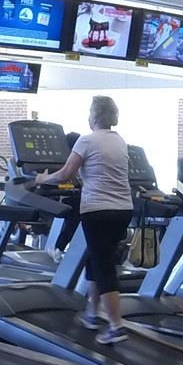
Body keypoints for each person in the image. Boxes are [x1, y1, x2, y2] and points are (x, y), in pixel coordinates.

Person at [55, 96, 135, 343]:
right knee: (96, 257)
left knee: (103, 266)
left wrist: (39, 180)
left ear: (94, 116)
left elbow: (66, 173)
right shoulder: (119, 141)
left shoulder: (87, 140)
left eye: (90, 111)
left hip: (98, 210)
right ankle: (92, 313)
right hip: (123, 209)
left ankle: (115, 326)